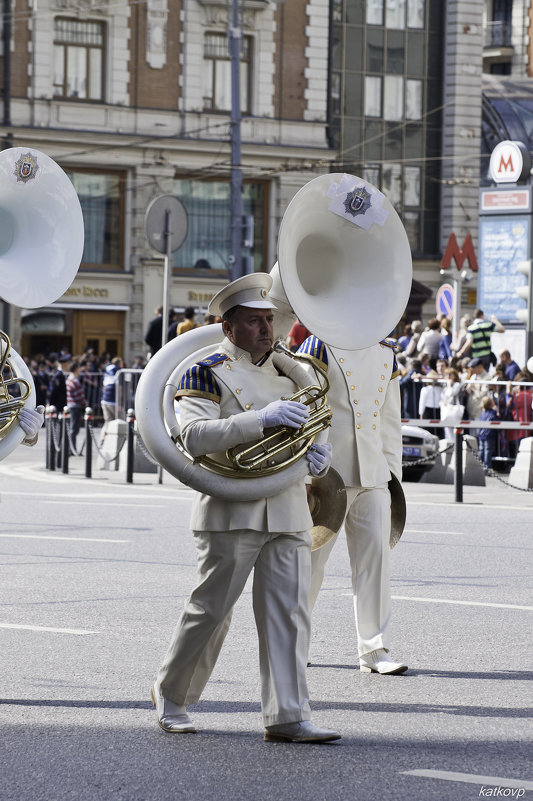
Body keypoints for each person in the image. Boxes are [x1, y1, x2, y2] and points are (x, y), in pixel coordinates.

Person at [151, 272, 340, 743]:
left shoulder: (289, 370)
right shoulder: (205, 371)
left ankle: (288, 714)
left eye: (269, 320)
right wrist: (260, 418)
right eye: (254, 322)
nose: (266, 330)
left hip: (290, 504)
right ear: (228, 326)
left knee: (289, 612)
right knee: (212, 611)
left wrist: (320, 450)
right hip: (232, 508)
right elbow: (192, 437)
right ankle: (172, 695)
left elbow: (314, 422)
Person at [299, 333, 408, 675]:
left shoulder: (386, 351)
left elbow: (390, 421)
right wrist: (304, 477)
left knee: (375, 563)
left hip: (374, 472)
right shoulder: (318, 347)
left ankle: (374, 650)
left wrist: (393, 478)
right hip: (327, 476)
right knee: (310, 566)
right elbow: (307, 413)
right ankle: (293, 645)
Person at [99, 357, 124, 443]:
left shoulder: (107, 369)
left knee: (107, 421)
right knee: (122, 420)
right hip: (113, 400)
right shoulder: (119, 371)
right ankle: (123, 442)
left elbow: (103, 386)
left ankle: (102, 440)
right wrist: (119, 404)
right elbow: (119, 388)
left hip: (104, 400)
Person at [66, 360, 87, 453]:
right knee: (74, 429)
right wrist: (85, 403)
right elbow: (79, 396)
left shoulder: (68, 379)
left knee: (73, 428)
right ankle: (72, 448)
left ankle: (72, 448)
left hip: (71, 405)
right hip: (76, 406)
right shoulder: (74, 381)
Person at [477, 395, 499, 471]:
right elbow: (495, 422)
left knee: (481, 450)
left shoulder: (483, 413)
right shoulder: (493, 412)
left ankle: (479, 465)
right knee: (488, 451)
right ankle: (487, 467)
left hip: (481, 435)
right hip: (489, 435)